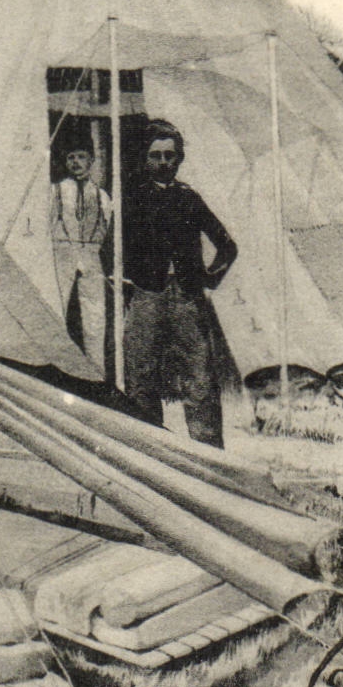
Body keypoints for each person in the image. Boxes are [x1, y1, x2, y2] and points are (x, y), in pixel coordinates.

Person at [121, 119, 237, 448]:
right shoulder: (133, 200)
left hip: (188, 300)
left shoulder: (190, 198)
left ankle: (209, 457)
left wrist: (207, 279)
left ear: (179, 158)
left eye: (169, 155)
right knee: (140, 379)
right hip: (147, 297)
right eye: (155, 155)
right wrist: (134, 284)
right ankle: (151, 452)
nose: (163, 163)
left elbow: (228, 246)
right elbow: (111, 251)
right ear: (144, 159)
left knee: (200, 380)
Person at [53, 130, 115, 365]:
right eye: (71, 157)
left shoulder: (101, 195)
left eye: (81, 157)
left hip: (91, 256)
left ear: (91, 160)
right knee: (57, 310)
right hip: (63, 254)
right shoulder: (56, 191)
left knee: (95, 319)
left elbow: (107, 229)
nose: (76, 162)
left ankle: (97, 371)